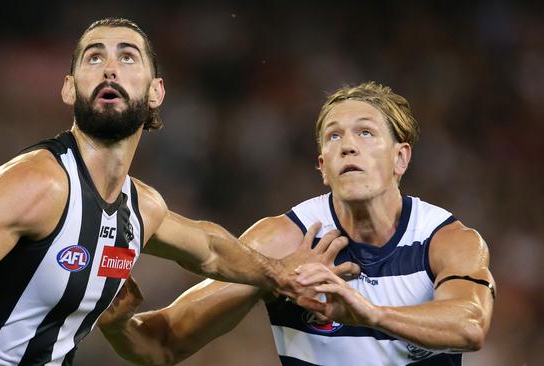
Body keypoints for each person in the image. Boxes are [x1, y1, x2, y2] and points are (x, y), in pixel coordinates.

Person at [0, 18, 358, 366]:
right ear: (69, 89)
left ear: (155, 92)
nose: (110, 67)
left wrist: (281, 274)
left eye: (127, 57)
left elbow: (213, 251)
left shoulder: (142, 208)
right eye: (94, 57)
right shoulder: (40, 183)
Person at [100, 82, 496, 366]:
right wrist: (118, 327)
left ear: (401, 158)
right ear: (323, 166)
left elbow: (471, 326)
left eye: (366, 132)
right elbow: (164, 345)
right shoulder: (281, 244)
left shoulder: (446, 240)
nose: (349, 145)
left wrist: (367, 314)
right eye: (333, 136)